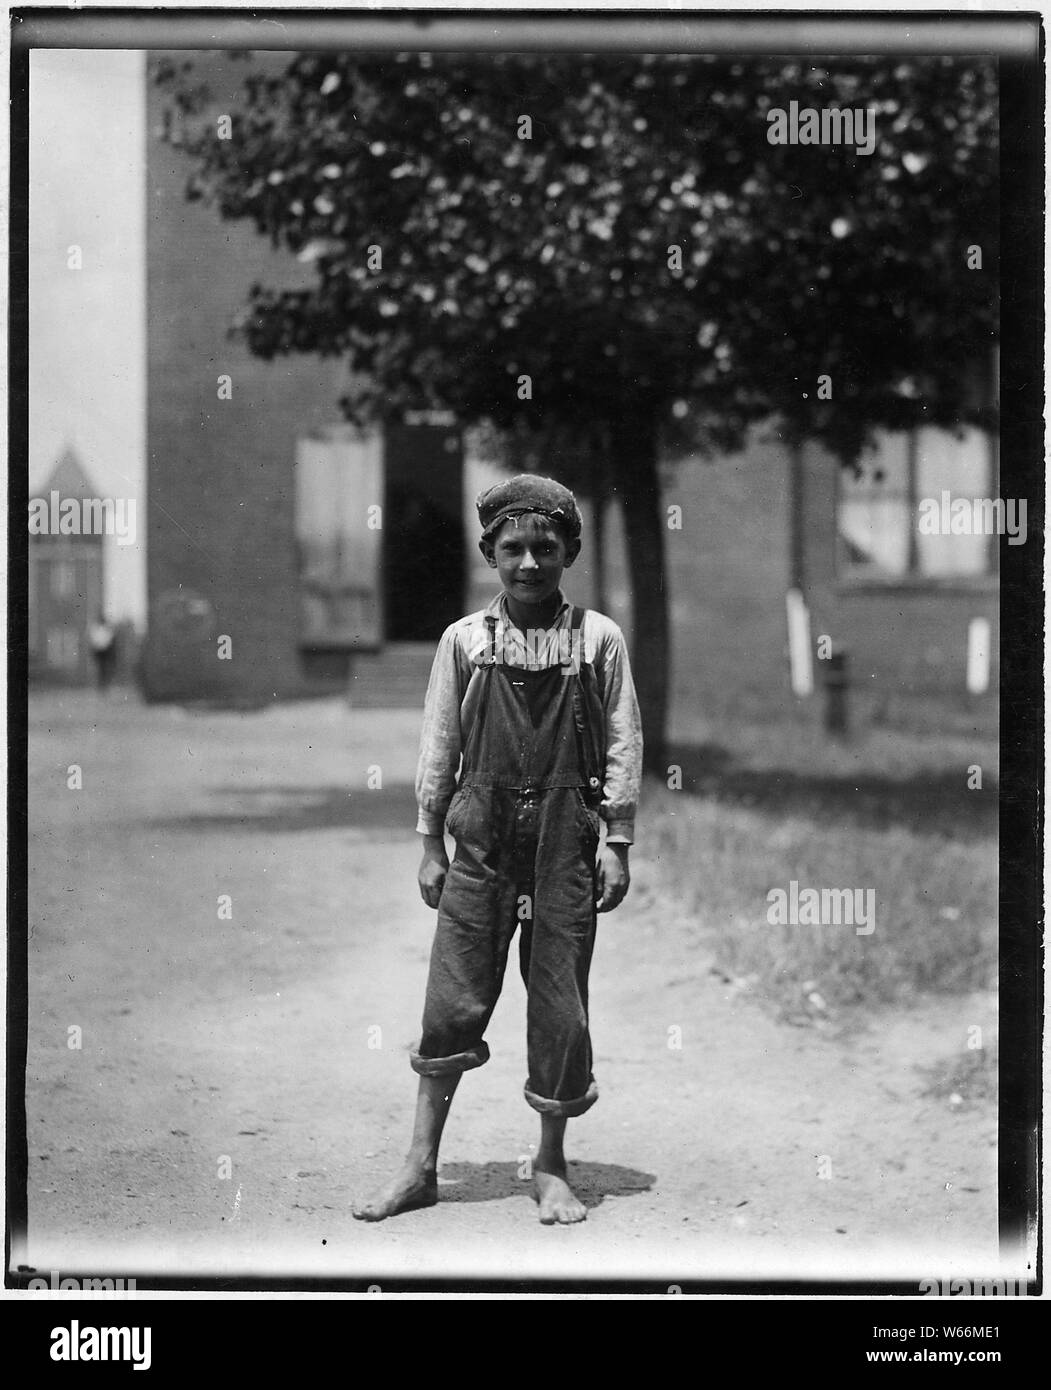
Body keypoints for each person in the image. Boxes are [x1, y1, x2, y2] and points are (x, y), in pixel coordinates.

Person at [353, 475, 643, 1225]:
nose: (527, 564)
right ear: (489, 553)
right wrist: (428, 842)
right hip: (480, 839)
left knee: (559, 1007)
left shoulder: (597, 639)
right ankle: (419, 1167)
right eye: (511, 549)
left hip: (563, 843)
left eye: (544, 548)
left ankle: (549, 1166)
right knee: (450, 999)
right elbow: (438, 743)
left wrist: (615, 839)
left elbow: (621, 742)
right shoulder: (464, 642)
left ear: (569, 552)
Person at [88, 612, 117, 693]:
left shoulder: (104, 628)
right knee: (101, 669)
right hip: (100, 651)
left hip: (105, 651)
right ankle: (101, 686)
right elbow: (94, 640)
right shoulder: (97, 628)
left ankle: (104, 685)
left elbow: (109, 639)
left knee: (104, 669)